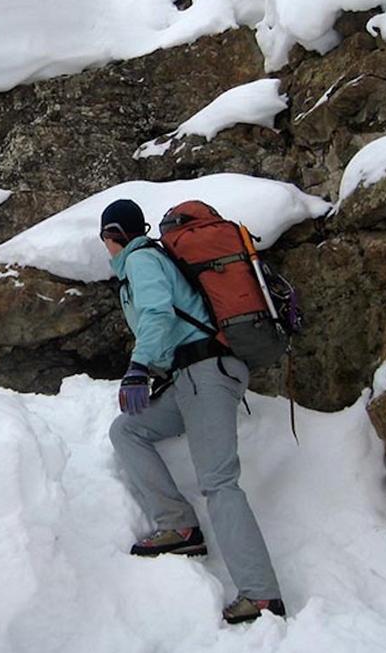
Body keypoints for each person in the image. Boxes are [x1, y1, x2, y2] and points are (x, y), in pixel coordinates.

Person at [100, 198, 285, 625]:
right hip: (190, 378)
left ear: (112, 235)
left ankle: (261, 595)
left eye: (106, 239)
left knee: (219, 482)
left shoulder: (143, 259)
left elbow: (158, 315)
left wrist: (137, 369)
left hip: (206, 372)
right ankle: (180, 526)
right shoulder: (143, 263)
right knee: (128, 431)